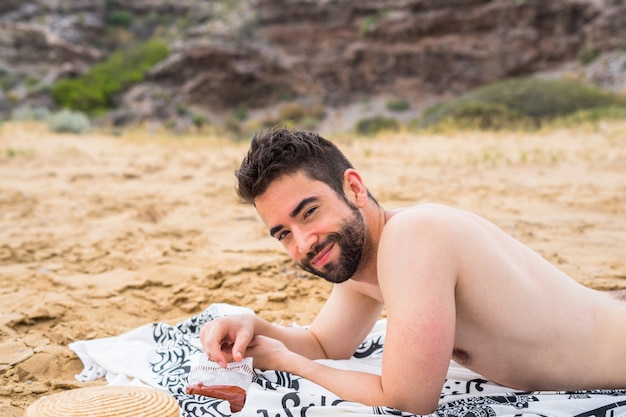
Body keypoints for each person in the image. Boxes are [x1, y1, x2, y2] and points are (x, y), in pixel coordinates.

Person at [200, 127, 626, 415]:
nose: (303, 242)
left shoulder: (413, 235)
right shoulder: (364, 259)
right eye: (283, 234)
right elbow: (325, 344)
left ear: (354, 187)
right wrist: (255, 325)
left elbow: (408, 400)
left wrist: (292, 364)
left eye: (309, 212)